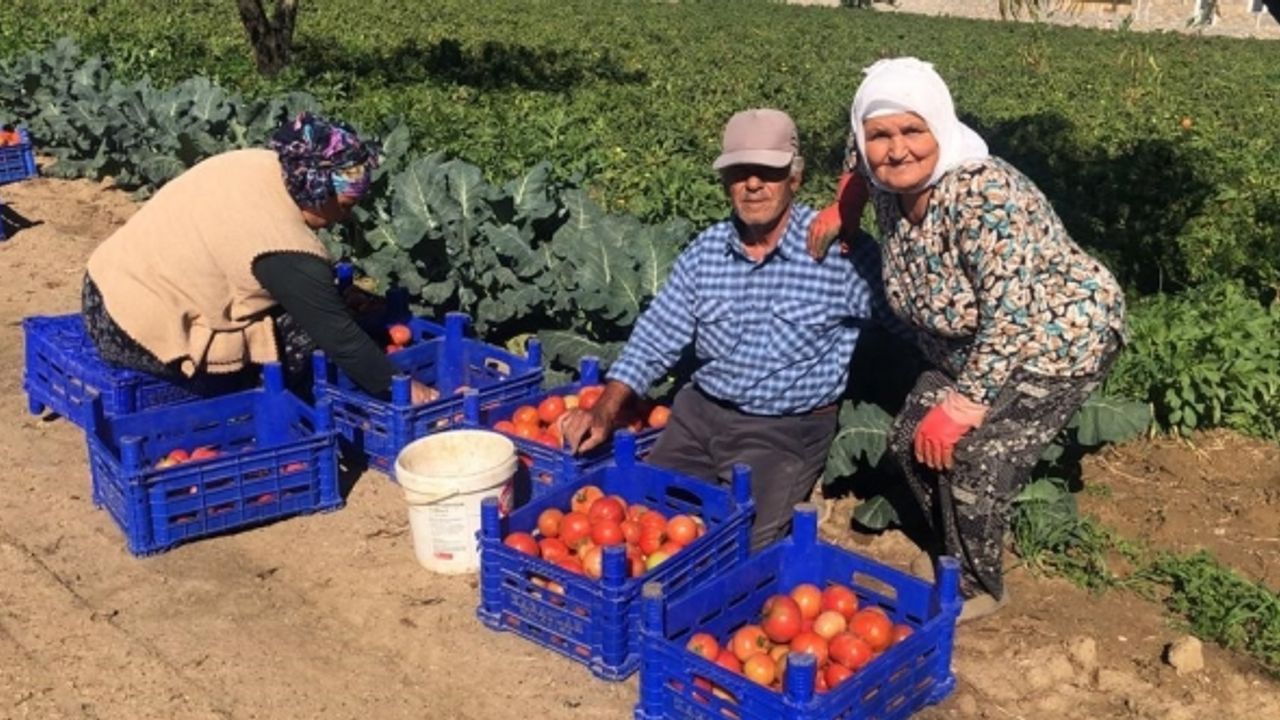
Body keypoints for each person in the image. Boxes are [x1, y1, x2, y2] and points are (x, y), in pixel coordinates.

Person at [808, 58, 1127, 622]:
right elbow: (856, 158)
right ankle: (953, 551)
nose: (897, 149)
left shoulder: (982, 194)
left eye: (913, 130)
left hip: (1053, 341)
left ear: (941, 126)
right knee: (909, 438)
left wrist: (963, 407)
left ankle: (979, 588)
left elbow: (1011, 316)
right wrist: (846, 207)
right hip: (966, 347)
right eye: (881, 134)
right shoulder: (885, 175)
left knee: (976, 459)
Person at [560, 108, 904, 551]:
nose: (753, 184)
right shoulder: (706, 252)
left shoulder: (840, 254)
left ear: (795, 179)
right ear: (726, 183)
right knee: (644, 525)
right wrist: (604, 409)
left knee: (739, 544)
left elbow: (909, 320)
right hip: (698, 417)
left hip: (783, 431)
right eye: (740, 172)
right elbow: (656, 334)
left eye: (768, 171)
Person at [82, 112, 436, 404]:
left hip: (106, 284)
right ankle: (260, 403)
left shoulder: (260, 163)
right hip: (136, 333)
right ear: (315, 191)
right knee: (305, 340)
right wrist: (409, 390)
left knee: (314, 305)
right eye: (344, 206)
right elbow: (340, 339)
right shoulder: (283, 247)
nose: (345, 217)